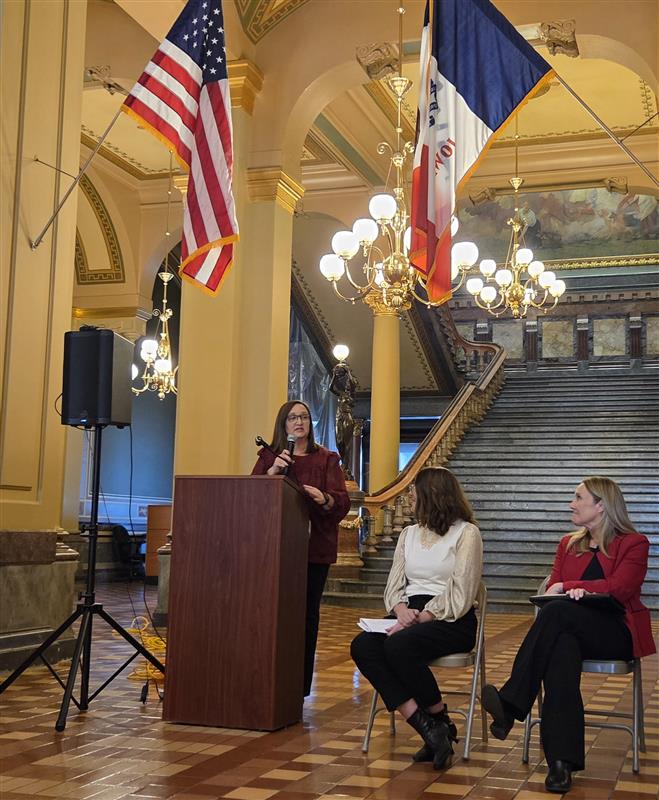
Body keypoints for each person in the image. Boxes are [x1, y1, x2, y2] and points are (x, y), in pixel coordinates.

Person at [481, 476, 655, 794]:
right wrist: (561, 590)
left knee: (558, 612)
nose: (571, 503)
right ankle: (560, 764)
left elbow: (621, 588)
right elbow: (553, 588)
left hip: (616, 633)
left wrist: (577, 589)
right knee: (561, 647)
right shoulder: (568, 544)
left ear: (600, 506)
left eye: (578, 498)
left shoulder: (634, 543)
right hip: (570, 630)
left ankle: (511, 704)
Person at [351, 467, 483, 769]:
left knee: (399, 646)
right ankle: (432, 728)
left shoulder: (467, 533)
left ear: (432, 496)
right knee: (363, 646)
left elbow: (462, 592)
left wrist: (422, 616)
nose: (409, 498)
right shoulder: (409, 534)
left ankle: (437, 722)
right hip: (407, 613)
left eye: (414, 493)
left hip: (451, 617)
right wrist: (399, 609)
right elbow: (394, 585)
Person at [252, 400, 350, 697]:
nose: (299, 422)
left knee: (305, 616)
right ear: (283, 424)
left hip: (313, 549)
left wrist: (326, 498)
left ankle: (298, 687)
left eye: (304, 417)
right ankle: (269, 679)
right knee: (272, 615)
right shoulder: (270, 457)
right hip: (274, 550)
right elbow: (250, 496)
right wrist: (272, 473)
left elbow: (342, 502)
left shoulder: (327, 459)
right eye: (293, 417)